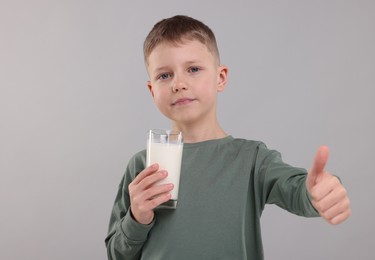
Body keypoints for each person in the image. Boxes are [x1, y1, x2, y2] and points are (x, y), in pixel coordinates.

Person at [105, 15, 351, 260]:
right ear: (152, 90)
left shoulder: (253, 159)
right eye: (164, 75)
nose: (178, 84)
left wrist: (318, 191)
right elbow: (116, 254)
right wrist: (137, 219)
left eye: (193, 69)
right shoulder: (142, 166)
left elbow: (298, 192)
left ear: (220, 78)